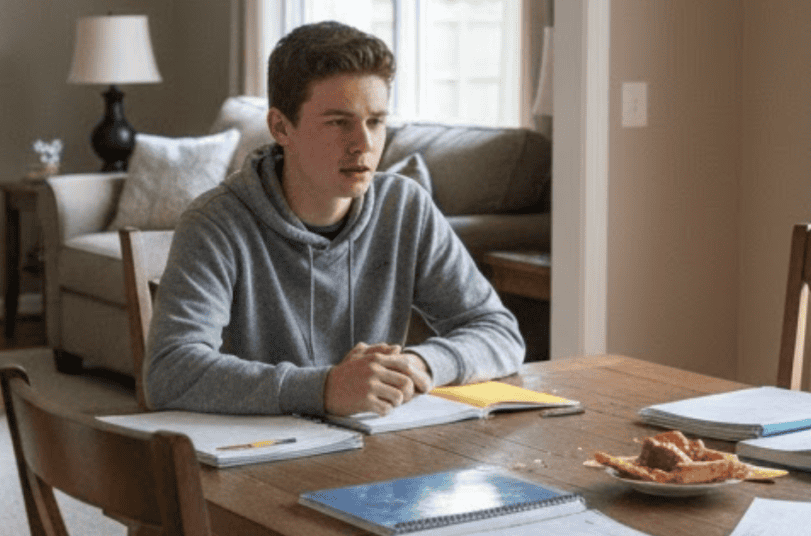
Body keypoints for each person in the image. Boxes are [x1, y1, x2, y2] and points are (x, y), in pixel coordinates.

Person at [144, 21, 525, 416]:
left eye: (375, 121)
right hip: (257, 457)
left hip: (376, 452)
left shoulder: (405, 207)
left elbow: (499, 332)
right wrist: (323, 388)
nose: (364, 144)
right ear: (280, 127)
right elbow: (170, 373)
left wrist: (417, 365)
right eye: (338, 122)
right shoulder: (215, 223)